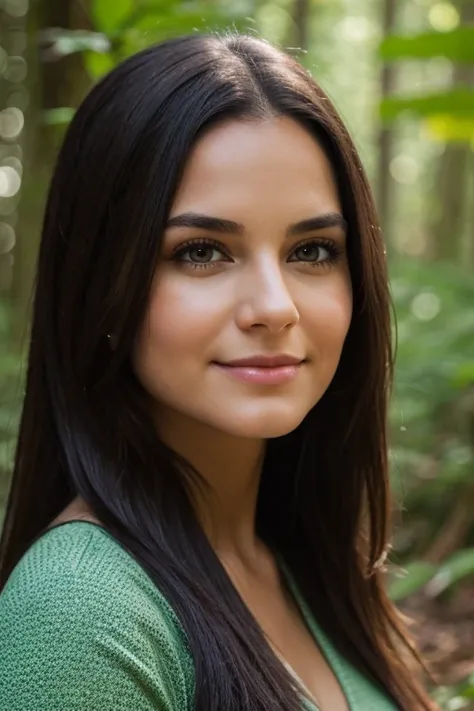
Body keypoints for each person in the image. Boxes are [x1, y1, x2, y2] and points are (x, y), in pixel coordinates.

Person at [0, 33, 435, 711]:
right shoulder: (83, 613)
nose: (273, 306)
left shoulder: (297, 562)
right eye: (202, 251)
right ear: (101, 282)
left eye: (313, 249)